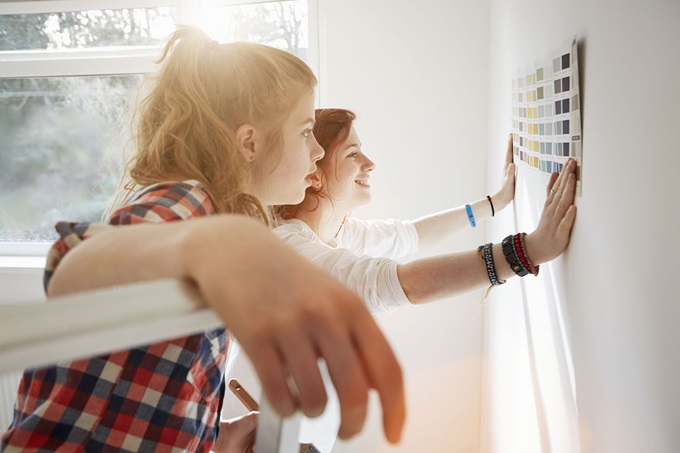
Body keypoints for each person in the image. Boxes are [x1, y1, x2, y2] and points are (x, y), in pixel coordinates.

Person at [0, 30, 405, 452]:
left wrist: (215, 436)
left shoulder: (217, 218)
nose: (319, 151)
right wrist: (197, 245)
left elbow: (155, 385)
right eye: (306, 131)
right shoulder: (187, 203)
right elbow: (72, 273)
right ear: (249, 142)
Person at [254, 107, 574, 450]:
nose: (369, 162)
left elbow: (413, 235)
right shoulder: (290, 249)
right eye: (352, 153)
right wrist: (527, 252)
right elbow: (402, 283)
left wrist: (495, 203)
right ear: (313, 175)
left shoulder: (337, 232)